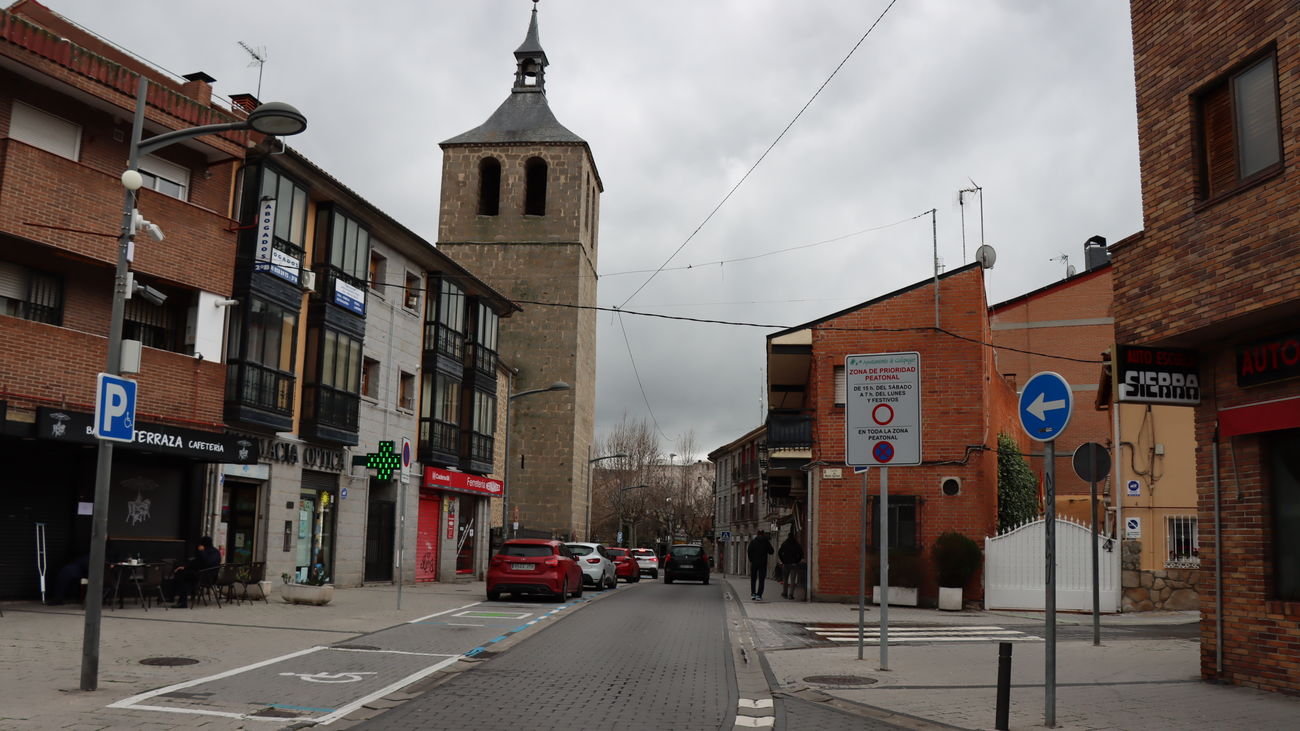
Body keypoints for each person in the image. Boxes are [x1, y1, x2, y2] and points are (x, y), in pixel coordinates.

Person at [171, 536, 220, 608]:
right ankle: (178, 598)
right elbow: (197, 563)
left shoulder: (209, 552)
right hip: (207, 576)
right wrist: (185, 567)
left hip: (205, 577)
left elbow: (207, 563)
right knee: (182, 573)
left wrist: (201, 552)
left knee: (181, 575)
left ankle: (182, 602)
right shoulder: (215, 551)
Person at [747, 530, 774, 601]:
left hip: (754, 563)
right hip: (763, 563)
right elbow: (771, 551)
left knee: (753, 579)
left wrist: (751, 560)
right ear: (763, 534)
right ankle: (759, 595)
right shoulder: (766, 542)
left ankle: (753, 594)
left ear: (757, 534)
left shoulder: (753, 542)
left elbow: (749, 551)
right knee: (761, 580)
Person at [778, 533, 804, 599]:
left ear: (788, 536)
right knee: (793, 580)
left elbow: (779, 552)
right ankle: (791, 595)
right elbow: (801, 553)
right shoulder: (796, 544)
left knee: (785, 579)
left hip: (786, 564)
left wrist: (783, 560)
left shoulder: (784, 543)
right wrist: (797, 561)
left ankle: (785, 593)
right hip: (794, 564)